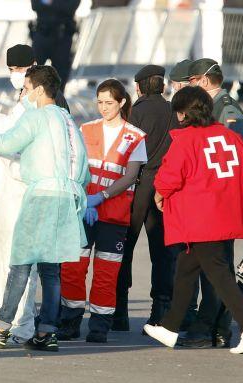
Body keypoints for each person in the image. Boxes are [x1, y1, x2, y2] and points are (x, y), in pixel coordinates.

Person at [0, 65, 90, 351]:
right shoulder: (67, 119)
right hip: (68, 196)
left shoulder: (37, 117)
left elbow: (7, 143)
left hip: (41, 196)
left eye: (26, 88)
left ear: (38, 89)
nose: (23, 93)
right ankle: (46, 331)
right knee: (51, 269)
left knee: (21, 263)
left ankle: (1, 325)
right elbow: (84, 166)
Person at [0, 45, 71, 348]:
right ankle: (6, 321)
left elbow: (14, 142)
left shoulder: (45, 105)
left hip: (28, 192)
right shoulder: (27, 100)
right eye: (12, 69)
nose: (16, 75)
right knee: (2, 257)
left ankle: (17, 325)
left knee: (22, 263)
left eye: (20, 70)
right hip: (8, 191)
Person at [144, 85, 243, 355]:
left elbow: (170, 176)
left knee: (221, 277)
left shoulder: (187, 140)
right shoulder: (230, 137)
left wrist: (160, 194)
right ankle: (169, 327)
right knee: (186, 271)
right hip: (224, 215)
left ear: (184, 113)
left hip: (201, 219)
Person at [59, 79, 147, 343]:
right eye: (100, 102)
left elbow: (131, 176)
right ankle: (70, 321)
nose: (104, 107)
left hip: (114, 215)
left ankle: (99, 326)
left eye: (109, 102)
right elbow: (75, 167)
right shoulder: (86, 129)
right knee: (73, 268)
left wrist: (102, 197)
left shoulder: (136, 136)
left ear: (121, 102)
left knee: (106, 274)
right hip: (83, 211)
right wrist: (85, 200)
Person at [179, 58, 243, 348]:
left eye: (191, 81)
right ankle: (216, 328)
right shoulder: (211, 108)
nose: (189, 87)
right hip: (213, 202)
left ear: (203, 81)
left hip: (219, 201)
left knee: (218, 269)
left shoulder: (226, 109)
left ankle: (212, 327)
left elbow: (230, 158)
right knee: (213, 267)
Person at [113, 65, 178, 331]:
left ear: (139, 87)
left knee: (124, 247)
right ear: (161, 86)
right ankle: (160, 311)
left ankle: (119, 312)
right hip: (164, 186)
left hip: (137, 186)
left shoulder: (136, 112)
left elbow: (124, 151)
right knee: (163, 252)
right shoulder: (173, 110)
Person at [29, 0, 81, 90]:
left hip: (63, 38)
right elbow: (35, 5)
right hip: (42, 34)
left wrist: (50, 3)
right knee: (31, 76)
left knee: (59, 81)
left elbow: (70, 7)